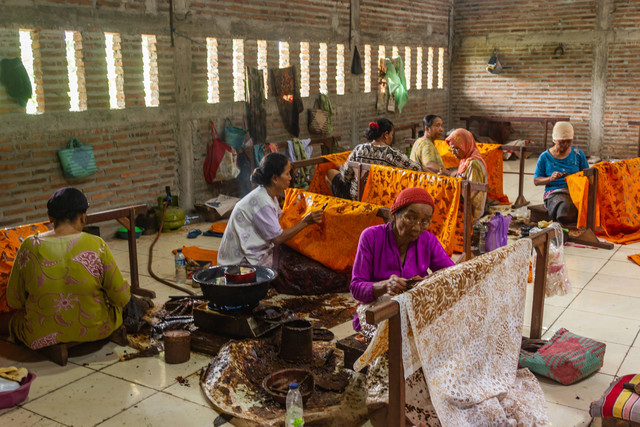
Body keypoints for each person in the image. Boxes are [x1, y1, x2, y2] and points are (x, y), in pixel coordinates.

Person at [4, 187, 131, 350]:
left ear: (50, 218)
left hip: (38, 335)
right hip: (98, 330)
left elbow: (14, 299)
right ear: (83, 216)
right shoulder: (97, 245)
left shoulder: (29, 245)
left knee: (16, 319)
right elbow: (121, 297)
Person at [350, 187, 455, 332]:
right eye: (411, 218)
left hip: (413, 311)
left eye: (424, 221)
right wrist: (385, 286)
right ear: (394, 214)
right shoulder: (371, 237)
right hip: (376, 313)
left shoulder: (428, 241)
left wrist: (424, 283)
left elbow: (452, 274)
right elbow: (356, 288)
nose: (417, 227)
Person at [217, 152, 323, 267]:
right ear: (275, 178)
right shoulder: (262, 202)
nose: (290, 178)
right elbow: (277, 238)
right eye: (287, 174)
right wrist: (306, 221)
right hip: (240, 263)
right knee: (294, 266)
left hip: (248, 253)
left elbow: (280, 220)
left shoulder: (268, 195)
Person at [326, 118, 422, 200]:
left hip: (356, 197)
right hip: (381, 197)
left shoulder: (359, 149)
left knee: (330, 173)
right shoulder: (393, 154)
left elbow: (345, 176)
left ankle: (344, 206)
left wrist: (341, 167)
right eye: (392, 135)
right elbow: (417, 169)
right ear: (386, 134)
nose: (391, 137)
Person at [534, 121, 589, 224]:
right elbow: (536, 180)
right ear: (554, 140)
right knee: (565, 209)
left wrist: (577, 179)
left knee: (592, 204)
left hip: (575, 191)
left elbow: (588, 175)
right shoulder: (545, 157)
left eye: (569, 142)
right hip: (555, 193)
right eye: (562, 142)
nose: (566, 145)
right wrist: (550, 178)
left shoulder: (578, 155)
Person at [447, 128, 488, 220]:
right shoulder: (464, 159)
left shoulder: (473, 164)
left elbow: (472, 192)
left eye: (456, 149)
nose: (453, 152)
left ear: (466, 145)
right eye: (452, 149)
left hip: (471, 209)